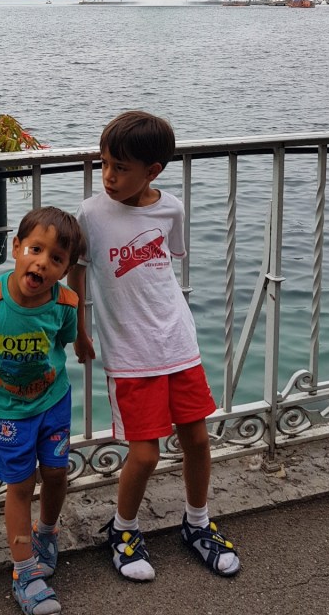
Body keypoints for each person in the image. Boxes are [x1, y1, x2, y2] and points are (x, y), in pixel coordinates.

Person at [69, 111, 240, 582]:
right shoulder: (91, 214)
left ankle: (197, 523)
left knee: (198, 440)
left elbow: (167, 263)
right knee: (144, 453)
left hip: (178, 340)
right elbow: (78, 271)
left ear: (153, 171)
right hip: (129, 352)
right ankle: (123, 529)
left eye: (120, 168)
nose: (108, 176)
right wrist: (80, 330)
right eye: (104, 163)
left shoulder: (171, 208)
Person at [0, 206, 85, 615]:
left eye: (56, 259)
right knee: (21, 486)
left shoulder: (66, 303)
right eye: (35, 249)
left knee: (57, 473)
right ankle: (24, 571)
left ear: (65, 269)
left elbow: (61, 344)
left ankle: (47, 532)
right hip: (7, 411)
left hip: (53, 402)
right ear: (16, 248)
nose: (42, 262)